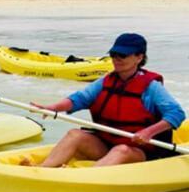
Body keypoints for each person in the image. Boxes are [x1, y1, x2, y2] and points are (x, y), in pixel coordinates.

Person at [27, 33, 185, 167]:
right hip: (107, 144)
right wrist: (53, 107)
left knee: (121, 150)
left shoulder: (151, 87)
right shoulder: (105, 81)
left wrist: (148, 132)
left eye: (122, 55)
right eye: (114, 54)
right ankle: (42, 169)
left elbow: (176, 114)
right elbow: (79, 99)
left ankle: (86, 178)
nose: (116, 59)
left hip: (141, 151)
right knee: (74, 134)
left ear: (139, 57)